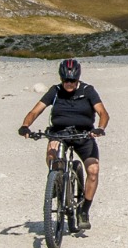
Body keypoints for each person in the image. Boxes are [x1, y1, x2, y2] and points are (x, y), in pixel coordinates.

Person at [17, 59, 109, 230]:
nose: (69, 84)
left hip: (84, 135)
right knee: (52, 156)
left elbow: (103, 113)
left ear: (78, 78)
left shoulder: (88, 91)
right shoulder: (55, 91)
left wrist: (100, 128)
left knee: (93, 170)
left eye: (72, 80)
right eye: (65, 80)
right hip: (59, 133)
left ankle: (84, 211)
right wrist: (25, 126)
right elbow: (35, 111)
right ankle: (56, 182)